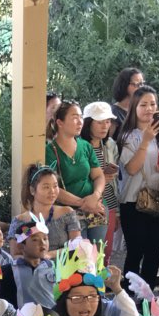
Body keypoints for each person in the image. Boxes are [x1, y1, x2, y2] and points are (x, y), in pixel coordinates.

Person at [117, 86, 159, 287]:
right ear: (134, 108)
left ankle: (148, 296)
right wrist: (146, 141)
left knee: (153, 251)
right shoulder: (127, 136)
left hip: (157, 200)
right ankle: (129, 295)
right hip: (133, 201)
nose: (149, 109)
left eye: (153, 104)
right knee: (135, 251)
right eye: (143, 104)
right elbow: (131, 169)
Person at [46, 101, 107, 244]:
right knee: (78, 254)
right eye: (74, 117)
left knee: (97, 253)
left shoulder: (85, 146)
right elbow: (53, 189)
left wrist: (95, 196)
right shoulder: (49, 151)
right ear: (60, 123)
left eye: (81, 117)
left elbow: (99, 176)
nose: (80, 122)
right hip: (70, 212)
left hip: (96, 208)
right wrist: (82, 203)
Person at [8, 165, 80, 253]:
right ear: (32, 190)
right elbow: (15, 254)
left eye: (55, 186)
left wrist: (49, 255)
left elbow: (77, 246)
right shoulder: (19, 221)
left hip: (63, 262)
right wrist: (36, 259)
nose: (52, 191)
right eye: (46, 187)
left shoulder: (67, 213)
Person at [80, 103, 121, 258]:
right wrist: (100, 177)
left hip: (108, 203)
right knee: (84, 254)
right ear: (88, 123)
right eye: (99, 122)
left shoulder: (110, 144)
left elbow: (115, 180)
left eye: (108, 121)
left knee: (104, 254)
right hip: (86, 203)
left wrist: (117, 211)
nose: (105, 126)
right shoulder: (79, 145)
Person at [110, 67, 144, 135]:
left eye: (142, 84)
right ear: (124, 85)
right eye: (136, 84)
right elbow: (107, 139)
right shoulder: (113, 112)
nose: (140, 88)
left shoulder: (141, 110)